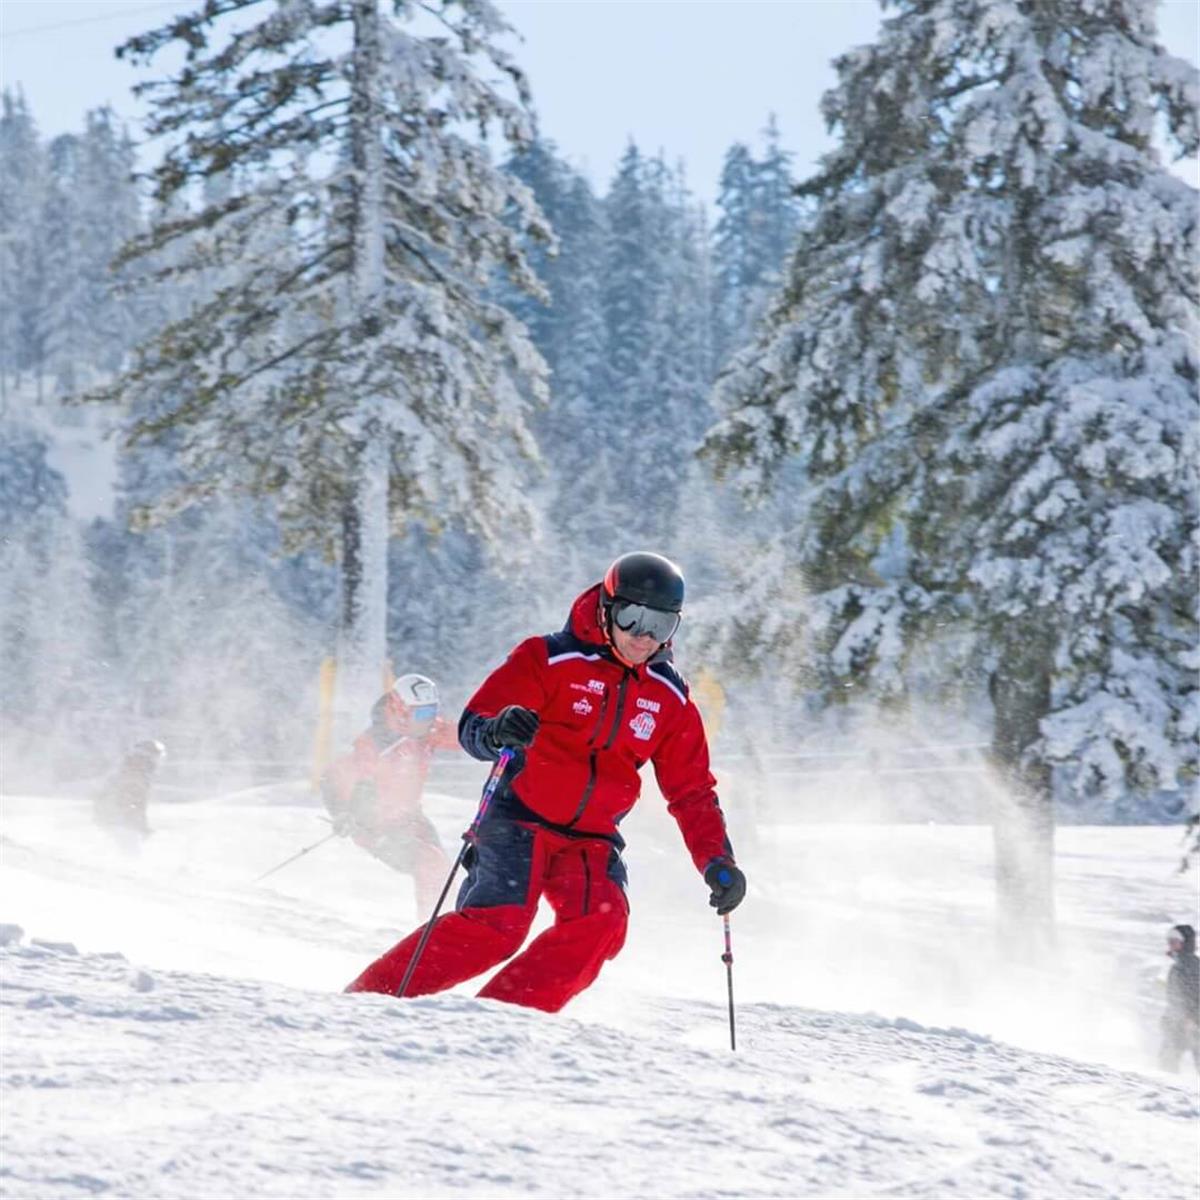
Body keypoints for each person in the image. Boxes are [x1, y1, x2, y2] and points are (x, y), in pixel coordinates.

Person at [346, 551, 746, 1011]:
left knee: (603, 923)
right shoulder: (550, 659)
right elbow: (476, 722)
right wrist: (497, 731)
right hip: (519, 819)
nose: (644, 636)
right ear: (606, 608)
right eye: (633, 617)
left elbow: (691, 790)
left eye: (661, 624)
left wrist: (717, 861)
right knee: (498, 925)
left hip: (591, 840)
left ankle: (502, 1018)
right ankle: (368, 1000)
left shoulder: (668, 697)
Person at [322, 673, 459, 916]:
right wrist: (342, 812)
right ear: (400, 710)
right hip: (378, 828)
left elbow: (460, 736)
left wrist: (496, 734)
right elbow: (332, 777)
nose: (429, 720)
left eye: (432, 711)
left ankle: (450, 927)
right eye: (422, 714)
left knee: (446, 874)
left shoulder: (426, 730)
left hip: (412, 819)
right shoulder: (373, 745)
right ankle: (429, 930)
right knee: (429, 863)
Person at [94, 739, 166, 848]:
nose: (158, 762)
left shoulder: (131, 771)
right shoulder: (135, 775)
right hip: (119, 823)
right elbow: (132, 805)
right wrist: (140, 826)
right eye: (157, 758)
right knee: (130, 855)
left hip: (114, 821)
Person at [1159, 924, 1199, 1072]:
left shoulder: (1190, 965)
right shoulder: (1180, 965)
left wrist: (1192, 1018)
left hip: (1191, 1023)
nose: (1170, 944)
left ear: (1185, 943)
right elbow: (1175, 996)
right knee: (1167, 1059)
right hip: (1178, 1021)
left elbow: (1194, 993)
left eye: (1174, 941)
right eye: (1169, 941)